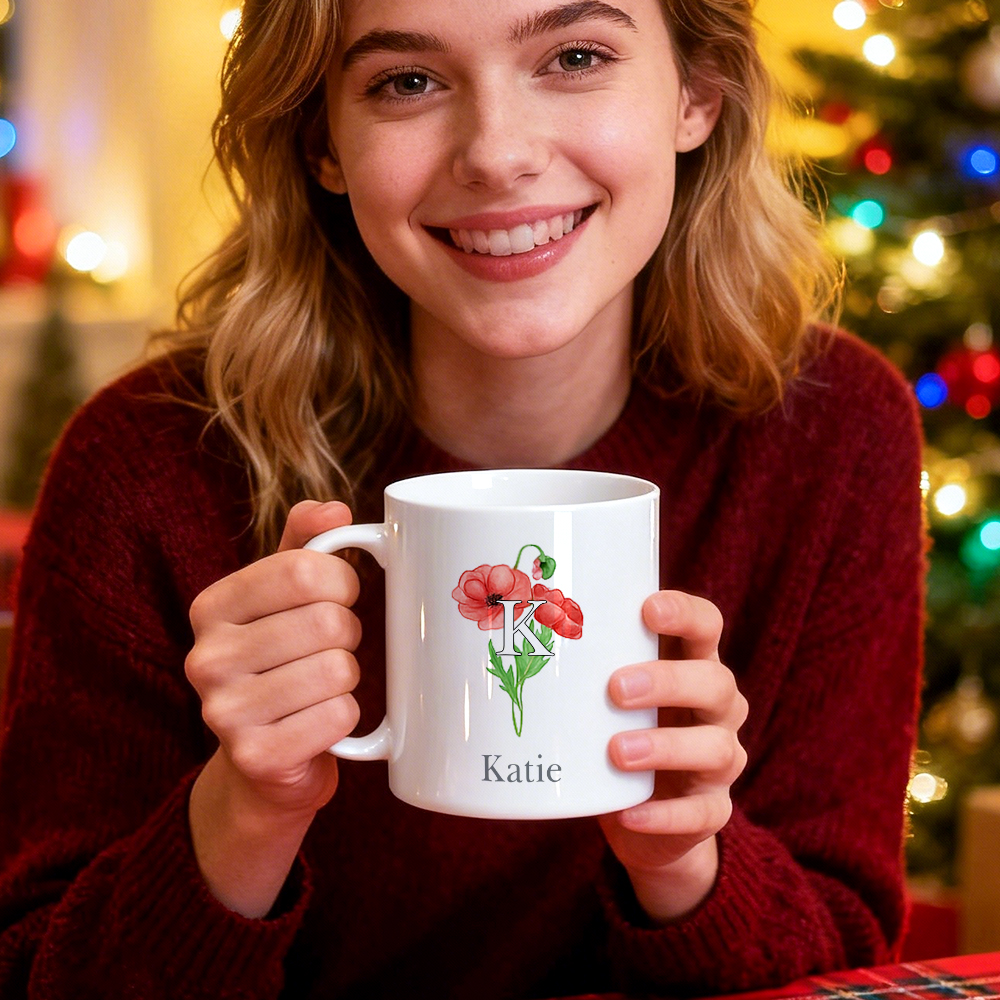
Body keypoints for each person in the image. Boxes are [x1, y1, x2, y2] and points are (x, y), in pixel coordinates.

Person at [0, 0, 926, 997]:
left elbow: (845, 957)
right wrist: (244, 813)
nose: (496, 153)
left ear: (698, 94)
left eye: (574, 56)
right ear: (324, 142)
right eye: (407, 82)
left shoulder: (830, 433)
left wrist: (685, 861)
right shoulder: (147, 462)